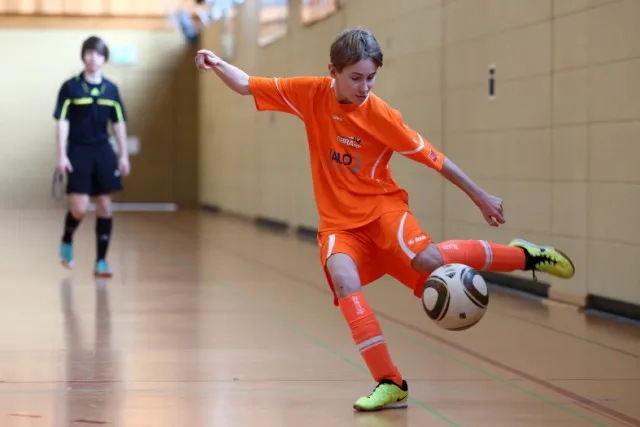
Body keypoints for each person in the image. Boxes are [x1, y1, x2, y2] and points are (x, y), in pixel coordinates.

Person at [194, 27, 575, 412]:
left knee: (428, 261)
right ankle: (390, 382)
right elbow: (246, 85)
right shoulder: (310, 93)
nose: (364, 87)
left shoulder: (381, 115)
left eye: (371, 78)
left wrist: (480, 196)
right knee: (343, 279)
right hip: (339, 224)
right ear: (333, 71)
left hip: (382, 211)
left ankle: (526, 256)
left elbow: (435, 159)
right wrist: (217, 62)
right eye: (356, 78)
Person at [54, 36, 130, 278]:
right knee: (79, 207)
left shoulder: (111, 89)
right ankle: (67, 238)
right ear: (83, 56)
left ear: (104, 58)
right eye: (89, 53)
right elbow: (62, 122)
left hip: (103, 150)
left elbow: (118, 123)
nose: (93, 58)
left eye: (97, 53)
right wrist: (61, 155)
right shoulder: (70, 87)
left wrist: (123, 155)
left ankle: (101, 261)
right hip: (78, 150)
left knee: (105, 205)